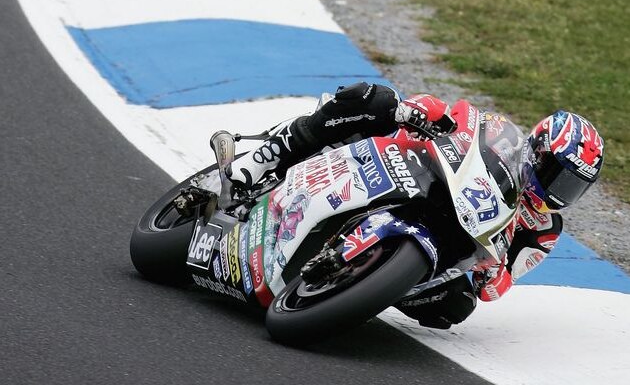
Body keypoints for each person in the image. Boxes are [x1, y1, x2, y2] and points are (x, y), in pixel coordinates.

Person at [226, 82, 605, 330]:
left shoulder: (544, 230)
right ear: (538, 151)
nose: (559, 190)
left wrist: (492, 276)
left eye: (573, 186)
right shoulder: (502, 132)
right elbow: (457, 115)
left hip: (453, 245)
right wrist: (422, 112)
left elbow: (502, 284)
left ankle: (362, 284)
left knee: (456, 306)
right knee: (377, 101)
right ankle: (269, 155)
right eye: (557, 174)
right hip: (416, 172)